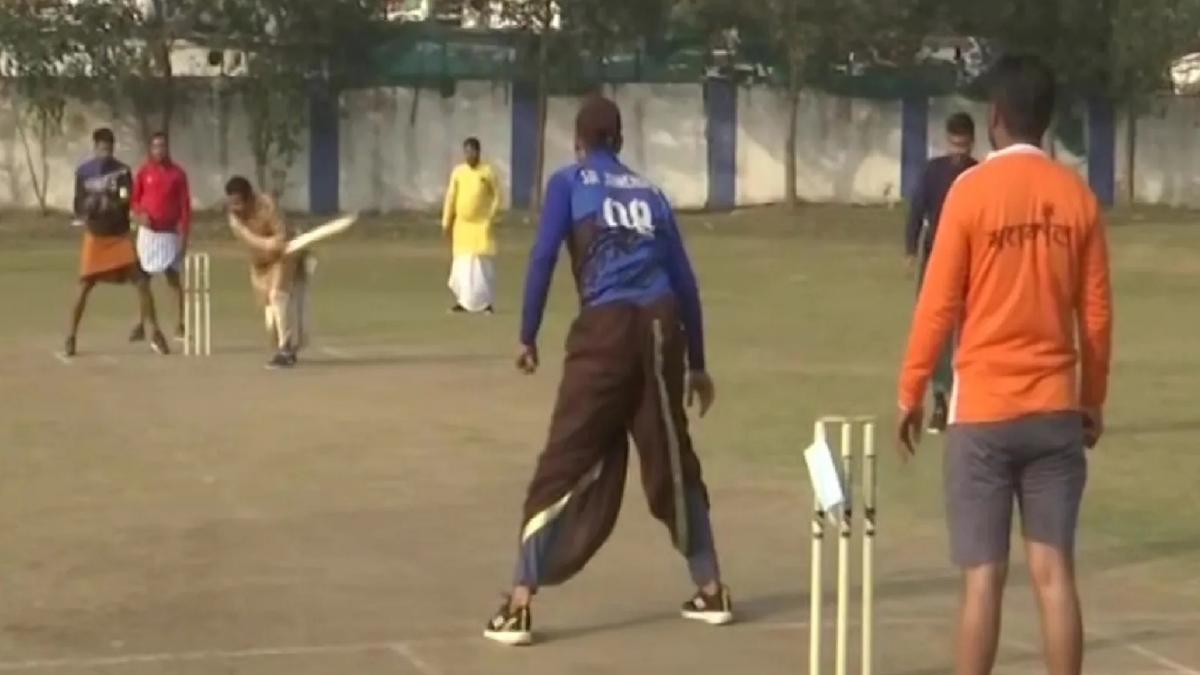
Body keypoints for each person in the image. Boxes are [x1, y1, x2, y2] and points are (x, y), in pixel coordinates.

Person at [483, 96, 731, 647]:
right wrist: (699, 363)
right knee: (671, 457)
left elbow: (545, 256)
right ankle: (712, 587)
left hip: (607, 330)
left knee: (564, 458)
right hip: (664, 328)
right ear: (619, 142)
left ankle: (520, 602)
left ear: (578, 141)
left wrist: (527, 335)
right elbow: (685, 280)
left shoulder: (569, 183)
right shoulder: (652, 193)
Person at [896, 54, 1112, 675]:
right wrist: (1091, 399)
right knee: (1053, 573)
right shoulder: (1077, 198)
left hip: (983, 414)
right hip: (1053, 410)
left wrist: (911, 390)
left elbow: (937, 306)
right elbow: (1095, 317)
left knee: (983, 581)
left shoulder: (971, 192)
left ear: (994, 118)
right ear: (1046, 120)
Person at [65, 128, 170, 358]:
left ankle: (155, 333)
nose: (105, 152)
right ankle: (70, 336)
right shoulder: (84, 172)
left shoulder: (121, 171)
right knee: (83, 286)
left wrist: (114, 203)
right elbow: (78, 205)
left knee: (142, 283)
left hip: (119, 236)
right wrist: (89, 207)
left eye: (109, 148)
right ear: (95, 148)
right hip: (96, 236)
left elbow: (127, 197)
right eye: (102, 148)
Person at [905, 112, 978, 434]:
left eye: (964, 145)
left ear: (972, 142)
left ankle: (971, 400)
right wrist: (910, 249)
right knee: (936, 331)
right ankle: (939, 400)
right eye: (954, 144)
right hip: (936, 258)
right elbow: (917, 210)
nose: (958, 150)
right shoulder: (933, 172)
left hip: (973, 261)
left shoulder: (979, 174)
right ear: (947, 140)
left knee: (972, 329)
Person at [223, 176, 310, 369]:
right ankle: (286, 344)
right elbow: (249, 239)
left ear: (249, 198)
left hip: (284, 256)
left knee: (278, 297)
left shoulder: (267, 205)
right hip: (261, 264)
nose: (235, 208)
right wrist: (268, 243)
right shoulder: (234, 219)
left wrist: (279, 241)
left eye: (238, 203)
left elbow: (283, 233)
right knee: (271, 322)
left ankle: (285, 350)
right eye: (231, 203)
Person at [129, 131, 192, 343]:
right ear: (150, 148)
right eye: (155, 146)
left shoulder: (178, 174)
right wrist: (140, 215)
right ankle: (141, 323)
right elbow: (134, 200)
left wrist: (185, 236)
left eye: (162, 146)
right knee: (143, 281)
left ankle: (180, 324)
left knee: (173, 280)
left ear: (167, 148)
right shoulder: (144, 172)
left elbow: (185, 207)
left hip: (169, 234)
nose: (159, 150)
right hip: (148, 234)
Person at [441, 137, 501, 314]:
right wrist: (446, 221)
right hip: (462, 227)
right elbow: (450, 197)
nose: (469, 155)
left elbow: (497, 196)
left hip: (481, 225)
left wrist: (490, 216)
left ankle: (485, 304)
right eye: (466, 152)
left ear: (478, 152)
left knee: (481, 266)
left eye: (472, 151)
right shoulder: (458, 172)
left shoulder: (487, 172)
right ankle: (463, 302)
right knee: (463, 265)